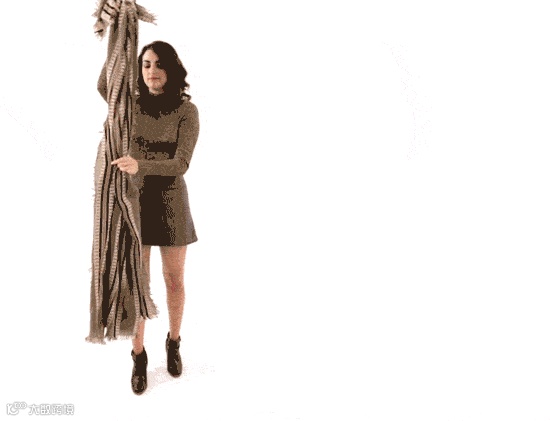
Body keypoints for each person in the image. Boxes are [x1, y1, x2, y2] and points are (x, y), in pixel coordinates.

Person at [98, 40, 200, 395]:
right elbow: (104, 85)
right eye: (145, 64)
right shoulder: (131, 105)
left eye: (158, 64)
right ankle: (139, 356)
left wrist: (140, 164)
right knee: (138, 284)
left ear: (171, 69)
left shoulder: (187, 111)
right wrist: (116, 36)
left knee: (173, 281)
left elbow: (180, 163)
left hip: (171, 202)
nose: (152, 71)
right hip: (135, 202)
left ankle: (173, 341)